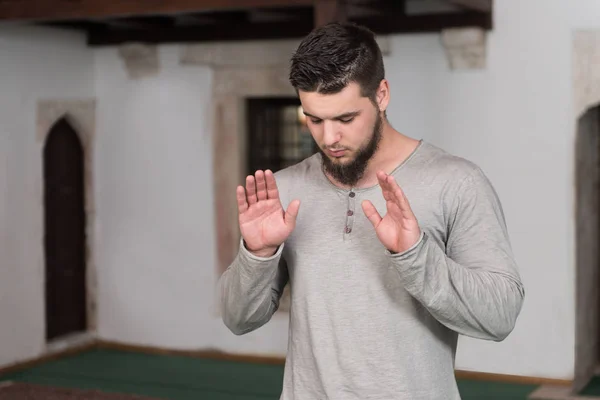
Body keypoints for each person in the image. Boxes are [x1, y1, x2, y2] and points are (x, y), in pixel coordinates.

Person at [218, 21, 525, 400]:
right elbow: (237, 319)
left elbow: (500, 316)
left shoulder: (456, 182)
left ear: (382, 95)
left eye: (345, 119)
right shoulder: (285, 188)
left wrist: (415, 256)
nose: (328, 138)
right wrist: (258, 255)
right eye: (313, 119)